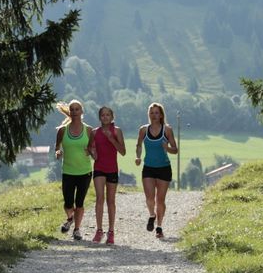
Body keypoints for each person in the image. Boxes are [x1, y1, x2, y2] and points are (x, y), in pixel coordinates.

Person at [134, 102, 178, 239]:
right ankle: (152, 215)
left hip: (164, 168)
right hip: (148, 168)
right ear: (149, 114)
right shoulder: (143, 130)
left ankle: (159, 227)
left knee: (160, 200)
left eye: (157, 113)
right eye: (152, 113)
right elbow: (139, 145)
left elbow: (175, 150)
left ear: (161, 115)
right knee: (149, 198)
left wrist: (167, 148)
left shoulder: (167, 130)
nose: (154, 115)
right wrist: (138, 157)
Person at [54, 100, 94, 241]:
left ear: (82, 112)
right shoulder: (62, 130)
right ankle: (70, 218)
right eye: (72, 109)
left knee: (80, 203)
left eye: (77, 109)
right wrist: (58, 152)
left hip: (85, 171)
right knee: (68, 203)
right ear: (69, 112)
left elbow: (93, 150)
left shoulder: (89, 130)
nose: (75, 112)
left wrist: (91, 153)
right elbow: (57, 147)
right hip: (68, 171)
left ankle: (77, 230)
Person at [87, 106, 126, 245]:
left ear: (112, 116)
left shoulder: (117, 131)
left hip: (112, 169)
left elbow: (123, 152)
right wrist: (93, 153)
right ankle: (99, 230)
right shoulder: (94, 132)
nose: (105, 117)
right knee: (99, 198)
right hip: (99, 168)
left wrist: (112, 139)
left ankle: (111, 232)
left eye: (108, 115)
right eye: (103, 115)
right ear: (99, 117)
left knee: (111, 201)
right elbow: (90, 149)